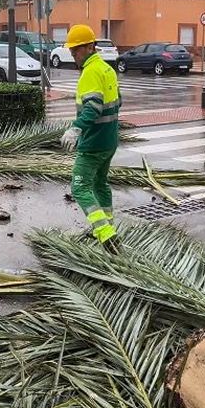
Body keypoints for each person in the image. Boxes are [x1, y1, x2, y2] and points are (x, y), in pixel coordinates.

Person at [58, 24, 121, 248]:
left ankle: (105, 234)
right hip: (109, 140)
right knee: (100, 184)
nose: (73, 54)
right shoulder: (107, 69)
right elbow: (117, 102)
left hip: (93, 143)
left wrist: (75, 129)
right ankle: (107, 226)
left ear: (90, 47)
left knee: (80, 187)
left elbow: (92, 107)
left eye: (77, 50)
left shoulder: (91, 72)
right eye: (72, 50)